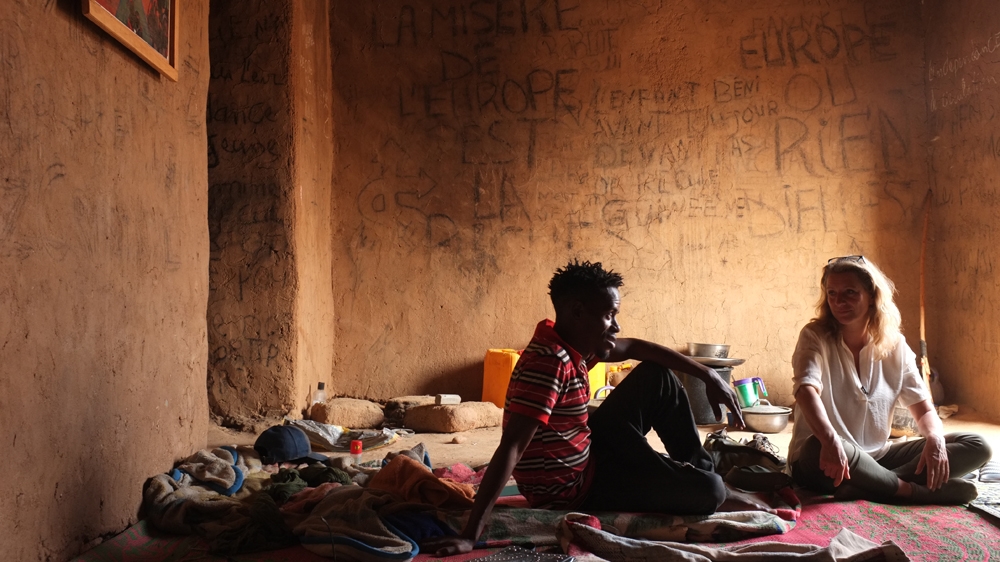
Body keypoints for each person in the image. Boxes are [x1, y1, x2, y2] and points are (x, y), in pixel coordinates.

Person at [422, 260, 762, 557]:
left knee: (657, 375)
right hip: (573, 490)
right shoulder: (549, 364)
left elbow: (637, 348)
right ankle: (711, 485)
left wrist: (708, 375)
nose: (615, 326)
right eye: (609, 315)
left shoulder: (573, 341)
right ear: (577, 311)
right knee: (710, 492)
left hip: (588, 451)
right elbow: (512, 446)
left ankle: (702, 471)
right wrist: (471, 532)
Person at [788, 255, 991, 504]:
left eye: (850, 292)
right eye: (832, 293)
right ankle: (911, 492)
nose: (838, 301)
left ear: (872, 296)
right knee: (814, 446)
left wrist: (935, 440)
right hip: (828, 458)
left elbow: (923, 408)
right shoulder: (814, 336)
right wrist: (830, 441)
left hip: (878, 457)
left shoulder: (895, 345)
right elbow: (806, 391)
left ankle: (875, 486)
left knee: (977, 445)